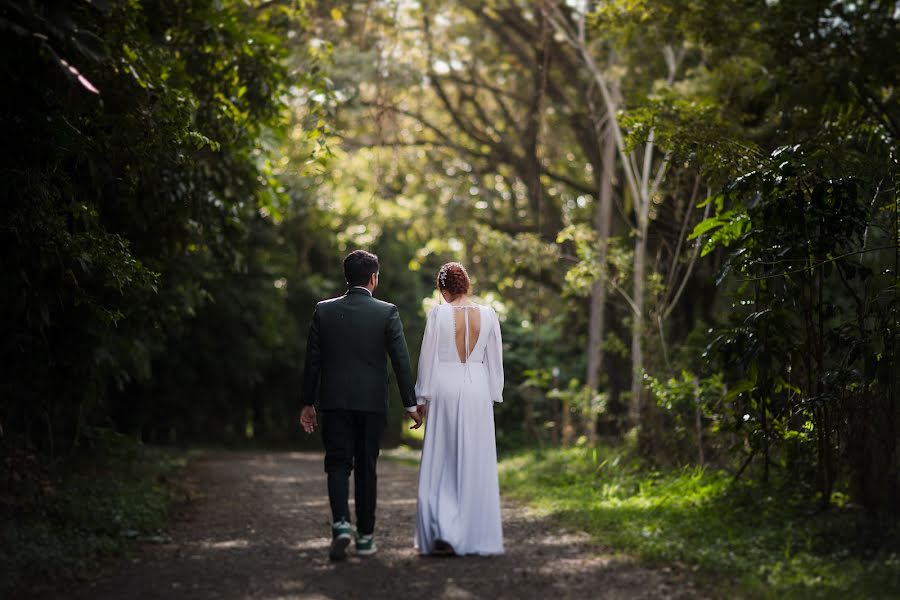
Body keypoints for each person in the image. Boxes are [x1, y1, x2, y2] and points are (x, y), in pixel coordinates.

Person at [299, 250, 422, 561]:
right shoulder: (387, 312)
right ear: (374, 278)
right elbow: (401, 361)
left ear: (347, 277)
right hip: (371, 403)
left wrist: (306, 402)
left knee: (338, 463)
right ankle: (366, 538)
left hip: (334, 400)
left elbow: (312, 361)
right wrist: (410, 403)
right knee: (367, 467)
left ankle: (341, 524)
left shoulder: (323, 311)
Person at [414, 262, 505, 556]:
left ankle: (444, 529)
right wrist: (492, 392)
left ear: (443, 289)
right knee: (474, 459)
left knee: (443, 459)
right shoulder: (489, 315)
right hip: (477, 389)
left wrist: (421, 398)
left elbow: (428, 358)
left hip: (445, 387)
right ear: (466, 285)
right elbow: (495, 361)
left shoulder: (439, 314)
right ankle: (472, 533)